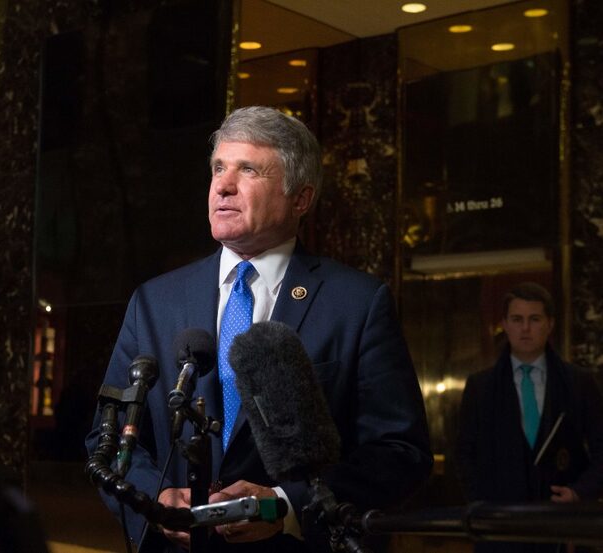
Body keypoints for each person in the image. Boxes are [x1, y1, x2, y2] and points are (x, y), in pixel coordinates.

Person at [85, 106, 432, 552]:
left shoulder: (358, 304)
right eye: (218, 168)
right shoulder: (154, 301)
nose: (223, 186)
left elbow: (400, 452)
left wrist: (287, 506)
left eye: (248, 169)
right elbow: (107, 438)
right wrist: (152, 500)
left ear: (300, 198)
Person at [456, 282, 603, 553]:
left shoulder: (579, 383)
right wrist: (481, 506)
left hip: (563, 527)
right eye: (517, 319)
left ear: (550, 324)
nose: (525, 328)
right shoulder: (480, 386)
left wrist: (579, 493)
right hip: (499, 529)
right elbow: (465, 454)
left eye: (534, 319)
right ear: (505, 324)